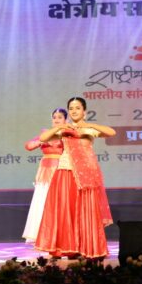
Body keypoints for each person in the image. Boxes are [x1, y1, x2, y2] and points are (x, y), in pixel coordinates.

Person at [35, 97, 115, 259]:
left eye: (77, 108)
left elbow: (111, 132)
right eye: (71, 108)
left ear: (84, 111)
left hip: (86, 174)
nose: (74, 111)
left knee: (85, 211)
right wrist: (62, 126)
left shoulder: (90, 129)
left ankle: (87, 247)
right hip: (65, 172)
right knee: (67, 211)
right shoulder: (64, 129)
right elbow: (43, 139)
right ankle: (69, 248)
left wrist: (89, 125)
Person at [21, 108, 67, 243]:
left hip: (61, 169)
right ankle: (42, 235)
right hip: (45, 171)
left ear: (65, 119)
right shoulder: (45, 134)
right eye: (54, 117)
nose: (56, 119)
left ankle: (60, 234)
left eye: (60, 117)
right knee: (42, 201)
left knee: (60, 202)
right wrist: (42, 141)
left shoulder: (67, 134)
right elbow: (28, 146)